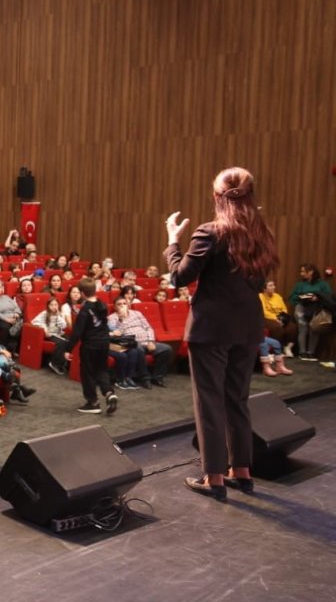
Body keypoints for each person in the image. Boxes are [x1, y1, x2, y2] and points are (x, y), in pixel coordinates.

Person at [165, 167, 279, 501]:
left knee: (209, 402)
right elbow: (257, 283)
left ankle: (213, 477)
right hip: (248, 327)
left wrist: (173, 240)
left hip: (211, 328)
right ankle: (241, 472)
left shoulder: (210, 232)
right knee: (237, 399)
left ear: (217, 197)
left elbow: (178, 277)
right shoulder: (262, 235)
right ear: (250, 196)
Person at [62, 279, 118, 416]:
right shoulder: (102, 305)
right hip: (104, 343)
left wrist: (68, 349)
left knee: (87, 373)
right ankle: (109, 393)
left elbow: (77, 332)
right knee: (102, 369)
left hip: (90, 345)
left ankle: (93, 402)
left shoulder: (85, 310)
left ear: (82, 293)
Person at [108, 297, 173, 388]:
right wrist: (121, 319)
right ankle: (145, 378)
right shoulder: (112, 318)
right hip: (132, 343)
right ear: (115, 307)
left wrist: (150, 341)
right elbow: (117, 335)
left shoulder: (137, 313)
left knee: (166, 349)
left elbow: (148, 327)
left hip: (147, 341)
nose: (122, 305)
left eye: (124, 303)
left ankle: (157, 377)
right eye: (119, 304)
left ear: (128, 305)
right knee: (137, 348)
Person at [289, 263, 332, 361]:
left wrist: (317, 298)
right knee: (303, 329)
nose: (301, 273)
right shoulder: (300, 285)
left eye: (303, 271)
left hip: (317, 309)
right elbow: (292, 298)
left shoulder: (322, 284)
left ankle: (311, 352)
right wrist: (301, 297)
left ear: (311, 272)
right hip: (302, 308)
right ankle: (302, 352)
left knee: (314, 329)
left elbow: (329, 297)